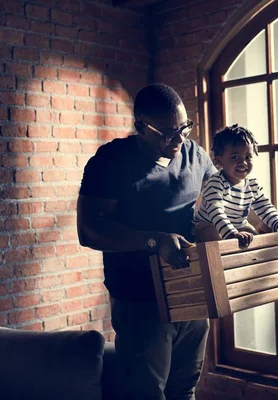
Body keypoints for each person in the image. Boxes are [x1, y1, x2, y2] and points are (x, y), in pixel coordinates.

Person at [76, 83, 217, 400]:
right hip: (140, 300)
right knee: (145, 394)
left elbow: (217, 205)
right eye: (167, 133)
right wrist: (154, 241)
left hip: (191, 294)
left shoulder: (196, 156)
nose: (179, 139)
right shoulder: (111, 161)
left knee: (183, 388)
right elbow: (88, 230)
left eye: (184, 128)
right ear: (140, 127)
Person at [194, 124, 278, 247]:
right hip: (208, 224)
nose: (243, 162)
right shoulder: (215, 184)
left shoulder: (252, 185)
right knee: (214, 237)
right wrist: (231, 234)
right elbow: (216, 212)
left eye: (248, 157)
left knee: (255, 240)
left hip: (238, 224)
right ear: (219, 161)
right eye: (235, 157)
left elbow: (265, 207)